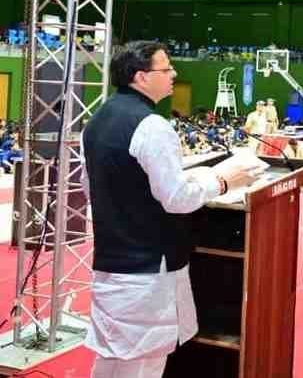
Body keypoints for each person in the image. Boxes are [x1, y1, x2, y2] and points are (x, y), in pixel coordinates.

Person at [80, 41, 256, 378]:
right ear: (141, 77)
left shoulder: (97, 119)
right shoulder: (151, 126)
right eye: (166, 68)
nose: (174, 73)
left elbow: (93, 187)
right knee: (141, 366)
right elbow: (177, 199)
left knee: (112, 361)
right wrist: (222, 181)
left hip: (112, 262)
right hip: (147, 270)